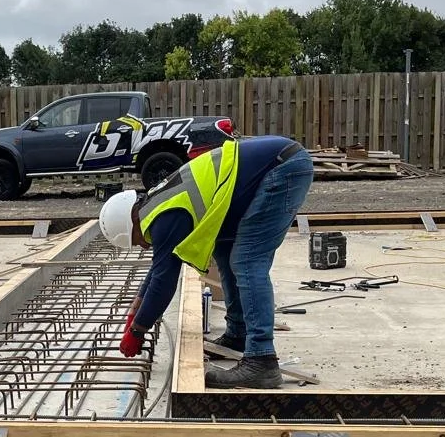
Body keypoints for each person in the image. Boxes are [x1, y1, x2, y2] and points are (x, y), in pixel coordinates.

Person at [99, 135, 313, 389]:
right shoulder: (157, 205)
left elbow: (164, 280)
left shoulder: (164, 217)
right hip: (275, 165)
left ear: (130, 227)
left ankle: (261, 360)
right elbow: (158, 269)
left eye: (136, 242)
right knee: (224, 252)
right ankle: (238, 335)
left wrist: (137, 330)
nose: (142, 245)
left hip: (279, 168)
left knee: (247, 260)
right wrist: (135, 311)